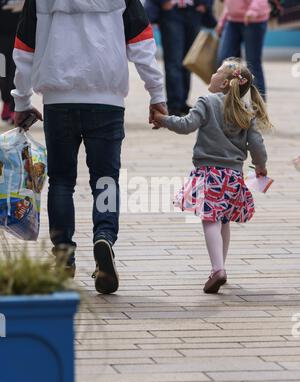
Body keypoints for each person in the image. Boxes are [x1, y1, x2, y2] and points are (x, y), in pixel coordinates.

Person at [12, 0, 167, 294]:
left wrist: (20, 100)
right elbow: (142, 44)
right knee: (105, 179)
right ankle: (105, 237)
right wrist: (156, 94)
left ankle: (63, 253)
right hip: (106, 100)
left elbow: (23, 49)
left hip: (59, 101)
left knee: (61, 182)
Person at [153, 58, 271, 293]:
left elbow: (186, 125)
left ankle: (218, 270)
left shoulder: (206, 101)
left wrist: (163, 120)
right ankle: (219, 266)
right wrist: (260, 166)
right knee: (223, 220)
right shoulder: (246, 110)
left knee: (210, 219)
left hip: (209, 174)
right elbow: (256, 144)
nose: (212, 74)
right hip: (234, 176)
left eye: (217, 71)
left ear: (225, 82)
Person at [145, 0, 214, 116]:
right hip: (171, 11)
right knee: (173, 61)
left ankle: (182, 102)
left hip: (194, 11)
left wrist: (205, 4)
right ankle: (174, 104)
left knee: (188, 61)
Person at [216, 0, 270, 100]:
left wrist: (253, 10)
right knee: (224, 61)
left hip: (254, 20)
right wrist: (222, 21)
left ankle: (259, 107)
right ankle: (230, 102)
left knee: (253, 63)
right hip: (232, 20)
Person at [0, 0, 24, 124]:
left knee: (15, 73)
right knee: (2, 74)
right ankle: (6, 102)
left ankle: (13, 107)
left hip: (18, 39)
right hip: (1, 40)